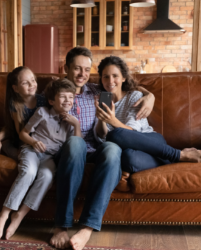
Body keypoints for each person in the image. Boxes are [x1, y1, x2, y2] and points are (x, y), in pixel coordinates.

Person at [49, 47, 156, 250]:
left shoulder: (99, 92)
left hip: (97, 149)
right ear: (67, 68)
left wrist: (150, 95)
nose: (82, 74)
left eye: (87, 70)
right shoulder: (57, 91)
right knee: (75, 142)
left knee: (113, 149)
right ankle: (61, 225)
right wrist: (5, 135)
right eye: (77, 69)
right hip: (72, 152)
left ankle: (87, 227)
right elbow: (29, 110)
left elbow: (124, 87)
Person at [0, 77, 82, 240]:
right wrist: (34, 141)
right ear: (52, 101)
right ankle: (3, 215)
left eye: (71, 97)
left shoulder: (71, 121)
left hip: (49, 158)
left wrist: (77, 125)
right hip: (32, 151)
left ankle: (19, 215)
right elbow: (23, 133)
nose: (68, 100)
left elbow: (76, 146)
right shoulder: (42, 112)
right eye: (63, 96)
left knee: (47, 176)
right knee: (29, 172)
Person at [94, 56, 201, 174]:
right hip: (131, 151)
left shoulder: (134, 96)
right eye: (106, 77)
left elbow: (131, 132)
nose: (110, 81)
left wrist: (112, 121)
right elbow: (103, 135)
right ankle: (169, 160)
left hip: (150, 140)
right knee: (127, 158)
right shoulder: (100, 100)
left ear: (123, 77)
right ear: (101, 79)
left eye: (115, 76)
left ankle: (179, 154)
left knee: (115, 135)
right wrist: (102, 119)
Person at [0, 66, 47, 161]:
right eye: (25, 83)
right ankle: (6, 146)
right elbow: (19, 132)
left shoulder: (43, 101)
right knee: (24, 158)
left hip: (42, 138)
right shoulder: (16, 105)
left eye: (33, 80)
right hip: (24, 141)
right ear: (16, 88)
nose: (31, 84)